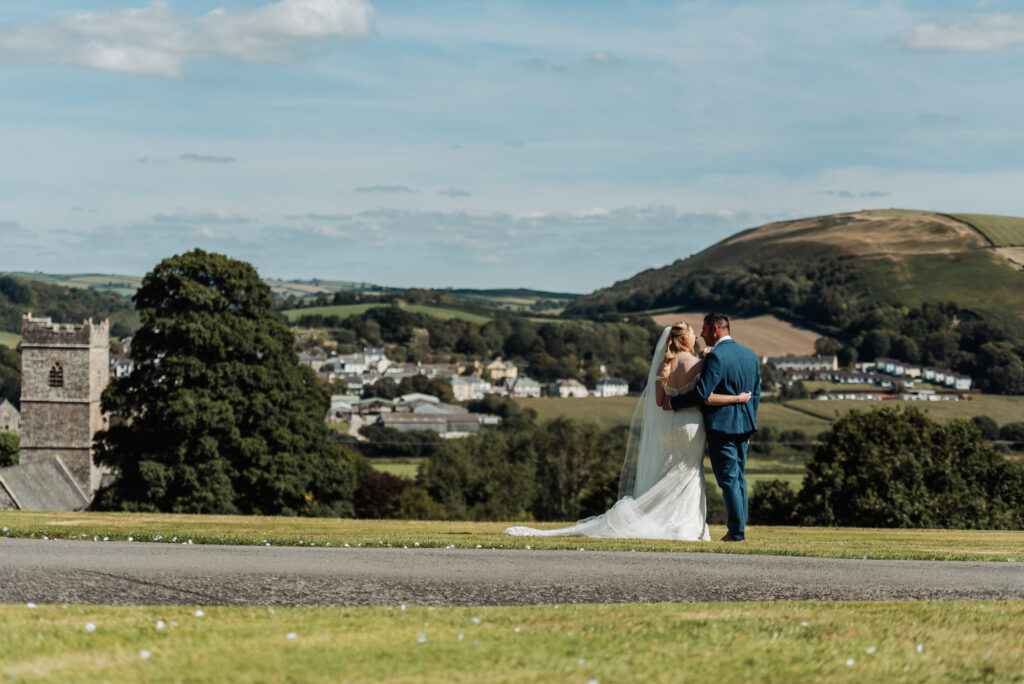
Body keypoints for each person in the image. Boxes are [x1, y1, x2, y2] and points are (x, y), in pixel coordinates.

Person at [504, 322, 750, 541]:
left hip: (667, 426)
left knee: (668, 473)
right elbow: (703, 395)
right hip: (690, 426)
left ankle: (662, 519)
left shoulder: (663, 364)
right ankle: (688, 526)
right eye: (693, 334)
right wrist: (737, 398)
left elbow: (659, 401)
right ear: (685, 339)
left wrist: (672, 402)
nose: (696, 337)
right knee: (689, 474)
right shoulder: (699, 363)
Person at [667, 313, 760, 542]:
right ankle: (738, 529)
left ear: (715, 329)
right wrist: (750, 424)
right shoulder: (750, 355)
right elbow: (755, 395)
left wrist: (672, 402)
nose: (701, 334)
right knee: (739, 479)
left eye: (705, 330)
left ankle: (737, 533)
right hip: (745, 426)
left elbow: (701, 394)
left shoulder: (716, 357)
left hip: (722, 427)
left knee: (728, 479)